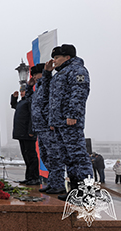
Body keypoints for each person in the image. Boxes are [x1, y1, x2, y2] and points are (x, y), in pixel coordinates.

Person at [45, 44, 93, 200]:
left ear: (67, 57)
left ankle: (86, 193)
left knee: (78, 156)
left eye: (57, 58)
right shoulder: (60, 74)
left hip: (70, 121)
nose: (55, 61)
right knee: (67, 158)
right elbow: (54, 100)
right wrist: (53, 120)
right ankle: (75, 191)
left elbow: (79, 93)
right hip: (59, 122)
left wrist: (73, 114)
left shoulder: (77, 70)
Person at [27, 63, 65, 194]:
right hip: (40, 127)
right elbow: (30, 101)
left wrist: (47, 73)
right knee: (45, 157)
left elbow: (53, 102)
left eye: (36, 74)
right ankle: (52, 182)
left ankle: (59, 184)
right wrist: (29, 86)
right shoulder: (38, 87)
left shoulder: (49, 84)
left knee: (54, 156)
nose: (35, 77)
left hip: (48, 127)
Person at [10, 85, 40, 185]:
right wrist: (14, 98)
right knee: (26, 156)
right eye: (21, 91)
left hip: (28, 133)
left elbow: (33, 116)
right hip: (21, 133)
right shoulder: (21, 102)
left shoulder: (30, 101)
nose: (22, 92)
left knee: (31, 156)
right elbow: (14, 106)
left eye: (24, 90)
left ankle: (35, 178)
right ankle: (29, 177)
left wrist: (32, 130)